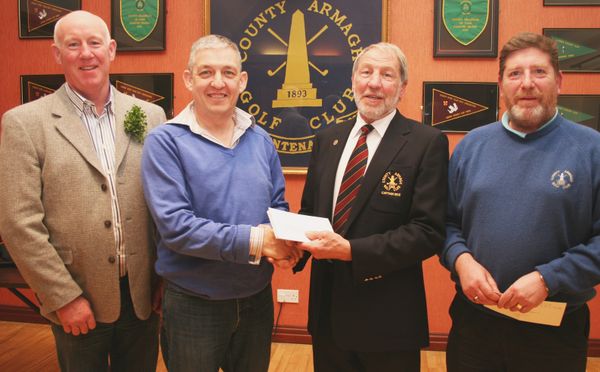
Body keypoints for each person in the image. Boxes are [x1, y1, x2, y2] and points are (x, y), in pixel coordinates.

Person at [0, 10, 166, 372]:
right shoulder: (24, 123)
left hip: (143, 296)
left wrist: (162, 278)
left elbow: (164, 206)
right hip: (77, 295)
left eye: (94, 43)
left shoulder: (151, 116)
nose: (85, 53)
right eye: (73, 45)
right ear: (57, 54)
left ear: (111, 50)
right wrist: (62, 297)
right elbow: (18, 222)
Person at [441, 32, 600, 372]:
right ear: (501, 84)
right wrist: (461, 260)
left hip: (555, 330)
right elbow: (446, 222)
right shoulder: (471, 146)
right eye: (515, 74)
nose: (526, 83)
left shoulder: (591, 150)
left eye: (538, 72)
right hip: (475, 325)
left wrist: (548, 279)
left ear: (559, 80)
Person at [141, 34, 300, 372]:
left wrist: (284, 239)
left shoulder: (260, 139)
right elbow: (178, 229)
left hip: (256, 299)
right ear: (188, 79)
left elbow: (277, 205)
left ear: (241, 81)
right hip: (194, 306)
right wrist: (262, 241)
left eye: (228, 72)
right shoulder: (165, 142)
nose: (218, 83)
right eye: (206, 72)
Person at [293, 42, 449, 372]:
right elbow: (310, 212)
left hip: (388, 321)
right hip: (328, 316)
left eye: (387, 74)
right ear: (353, 80)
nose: (374, 82)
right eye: (366, 72)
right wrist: (293, 248)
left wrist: (351, 250)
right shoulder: (327, 139)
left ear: (402, 87)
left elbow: (427, 231)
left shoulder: (426, 143)